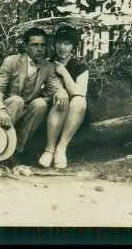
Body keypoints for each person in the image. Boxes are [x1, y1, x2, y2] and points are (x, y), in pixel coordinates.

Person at [0, 27, 65, 164]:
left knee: (40, 104)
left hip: (25, 113)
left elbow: (54, 85)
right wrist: (1, 110)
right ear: (26, 46)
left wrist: (61, 91)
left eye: (43, 45)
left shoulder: (47, 66)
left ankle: (13, 151)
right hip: (3, 111)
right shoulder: (11, 61)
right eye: (35, 45)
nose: (39, 49)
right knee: (17, 101)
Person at [38, 25, 89, 169]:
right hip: (51, 108)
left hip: (75, 113)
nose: (62, 47)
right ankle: (49, 150)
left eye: (67, 43)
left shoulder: (80, 65)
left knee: (79, 101)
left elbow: (80, 92)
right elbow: (42, 87)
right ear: (54, 44)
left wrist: (64, 72)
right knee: (61, 101)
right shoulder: (47, 62)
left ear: (73, 46)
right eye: (59, 42)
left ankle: (61, 149)